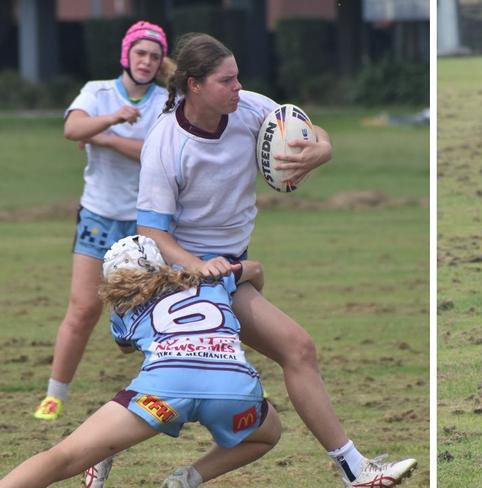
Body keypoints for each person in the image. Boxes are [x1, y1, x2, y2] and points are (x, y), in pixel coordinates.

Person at [134, 32, 417, 487]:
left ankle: (166, 472)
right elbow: (151, 232)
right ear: (194, 85)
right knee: (274, 359)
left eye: (238, 76)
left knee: (257, 366)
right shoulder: (166, 144)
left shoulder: (248, 109)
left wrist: (323, 148)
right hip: (183, 278)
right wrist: (196, 265)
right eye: (227, 80)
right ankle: (355, 470)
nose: (238, 87)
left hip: (231, 269)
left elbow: (308, 128)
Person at [1, 235, 281, 488]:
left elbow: (125, 348)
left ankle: (103, 449)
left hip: (162, 396)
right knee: (267, 434)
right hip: (232, 388)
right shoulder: (210, 279)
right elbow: (255, 270)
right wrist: (235, 274)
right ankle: (188, 478)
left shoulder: (123, 311)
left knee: (63, 457)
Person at [34, 21, 172, 421]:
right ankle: (54, 396)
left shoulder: (165, 101)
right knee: (82, 309)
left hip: (147, 221)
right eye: (140, 53)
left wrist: (105, 138)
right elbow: (72, 128)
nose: (146, 61)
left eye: (154, 55)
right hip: (98, 216)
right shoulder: (97, 92)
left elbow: (154, 154)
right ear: (125, 55)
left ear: (160, 61)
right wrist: (110, 119)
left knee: (158, 309)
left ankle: (170, 387)